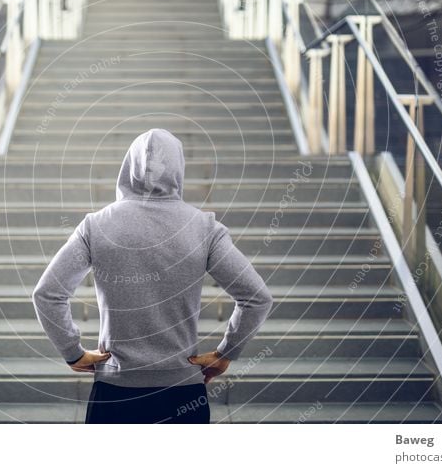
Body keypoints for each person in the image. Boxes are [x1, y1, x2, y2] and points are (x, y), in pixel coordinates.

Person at [32, 128, 273, 423]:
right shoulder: (204, 228)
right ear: (178, 168)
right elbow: (257, 298)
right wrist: (226, 353)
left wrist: (73, 352)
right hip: (183, 392)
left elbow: (47, 294)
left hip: (114, 391)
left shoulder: (95, 226)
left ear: (128, 167)